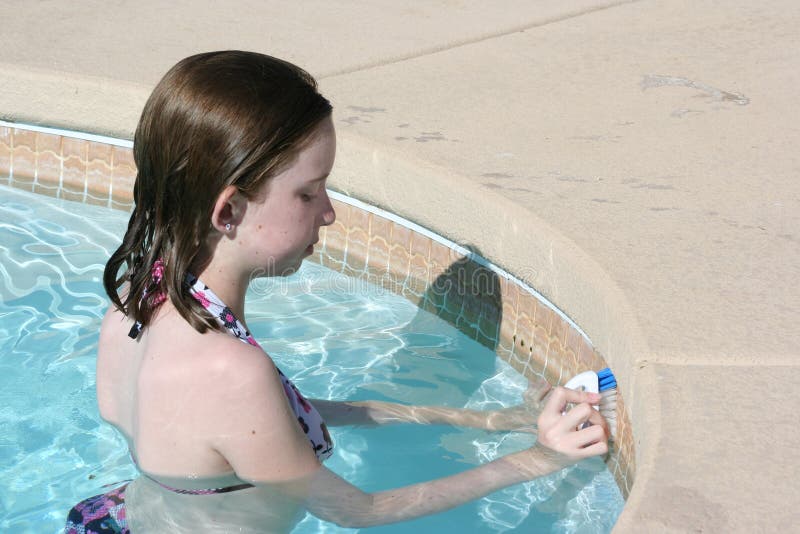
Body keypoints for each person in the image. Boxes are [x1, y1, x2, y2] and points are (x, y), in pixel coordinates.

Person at [64, 50, 609, 533]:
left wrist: (486, 420)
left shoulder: (138, 300)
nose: (329, 214)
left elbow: (260, 421)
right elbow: (359, 511)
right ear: (228, 210)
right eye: (308, 193)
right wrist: (536, 461)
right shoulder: (228, 371)